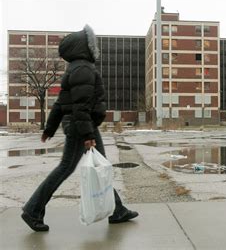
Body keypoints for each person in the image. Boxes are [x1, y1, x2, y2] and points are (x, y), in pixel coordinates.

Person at [21, 25, 138, 232]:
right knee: (65, 168)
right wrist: (87, 135)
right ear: (84, 46)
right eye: (91, 43)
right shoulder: (83, 69)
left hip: (83, 125)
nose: (95, 46)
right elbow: (81, 105)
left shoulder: (75, 68)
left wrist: (50, 128)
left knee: (101, 167)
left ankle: (117, 210)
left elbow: (60, 103)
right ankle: (33, 209)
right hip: (81, 126)